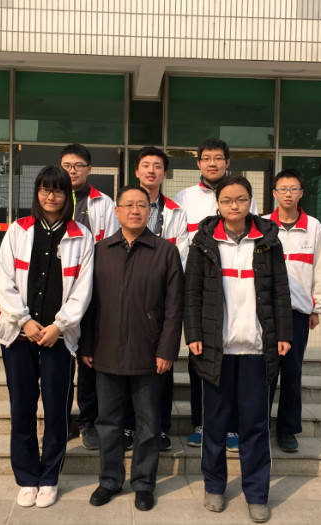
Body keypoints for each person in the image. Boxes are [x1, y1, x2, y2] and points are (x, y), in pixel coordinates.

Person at [184, 174, 292, 523]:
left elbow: (280, 292)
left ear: (250, 201)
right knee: (214, 423)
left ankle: (257, 493)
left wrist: (283, 333)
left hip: (257, 348)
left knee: (255, 424)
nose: (234, 205)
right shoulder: (203, 242)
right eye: (227, 200)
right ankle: (214, 486)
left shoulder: (267, 241)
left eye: (241, 199)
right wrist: (194, 333)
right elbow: (192, 293)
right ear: (217, 203)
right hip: (217, 347)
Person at [0, 165, 94, 509]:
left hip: (59, 339)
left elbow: (83, 289)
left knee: (56, 411)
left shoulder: (81, 235)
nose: (51, 197)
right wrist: (24, 321)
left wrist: (59, 326)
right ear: (37, 192)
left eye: (58, 191)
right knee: (22, 408)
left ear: (68, 196)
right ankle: (26, 477)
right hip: (18, 336)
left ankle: (49, 477)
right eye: (45, 190)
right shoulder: (18, 229)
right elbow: (3, 281)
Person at [80, 185, 184, 512]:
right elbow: (88, 303)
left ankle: (143, 483)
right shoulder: (100, 250)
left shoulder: (165, 251)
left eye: (141, 205)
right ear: (117, 211)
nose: (135, 210)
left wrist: (167, 350)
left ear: (150, 211)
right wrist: (87, 344)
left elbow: (174, 307)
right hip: (106, 349)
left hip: (148, 351)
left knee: (149, 423)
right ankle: (109, 480)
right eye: (128, 205)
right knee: (108, 422)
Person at [174, 138, 257, 450]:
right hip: (198, 286)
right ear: (198, 163)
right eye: (206, 158)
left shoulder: (242, 194)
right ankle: (201, 422)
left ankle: (233, 427)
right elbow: (181, 243)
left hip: (236, 287)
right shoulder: (184, 197)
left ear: (227, 162)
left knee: (233, 360)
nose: (212, 163)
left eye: (218, 158)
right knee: (200, 356)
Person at [122, 146, 189, 452]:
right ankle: (128, 425)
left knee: (162, 364)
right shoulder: (122, 206)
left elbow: (182, 257)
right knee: (126, 363)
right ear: (137, 171)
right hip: (128, 296)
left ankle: (160, 427)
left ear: (165, 173)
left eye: (157, 166)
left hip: (161, 299)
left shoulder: (177, 212)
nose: (151, 170)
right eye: (146, 165)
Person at [266, 168, 321, 453]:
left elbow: (320, 268)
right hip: (267, 313)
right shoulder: (263, 225)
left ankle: (287, 430)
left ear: (301, 193)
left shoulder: (313, 227)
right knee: (265, 373)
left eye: (293, 189)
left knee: (292, 374)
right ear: (274, 193)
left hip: (297, 312)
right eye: (283, 189)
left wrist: (317, 307)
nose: (288, 194)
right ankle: (259, 426)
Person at [60, 143, 119, 451]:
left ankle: (86, 421)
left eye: (78, 165)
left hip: (92, 289)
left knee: (87, 358)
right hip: (58, 289)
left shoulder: (103, 203)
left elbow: (110, 246)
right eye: (67, 165)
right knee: (59, 360)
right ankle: (59, 420)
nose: (72, 171)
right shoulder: (53, 199)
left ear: (89, 169)